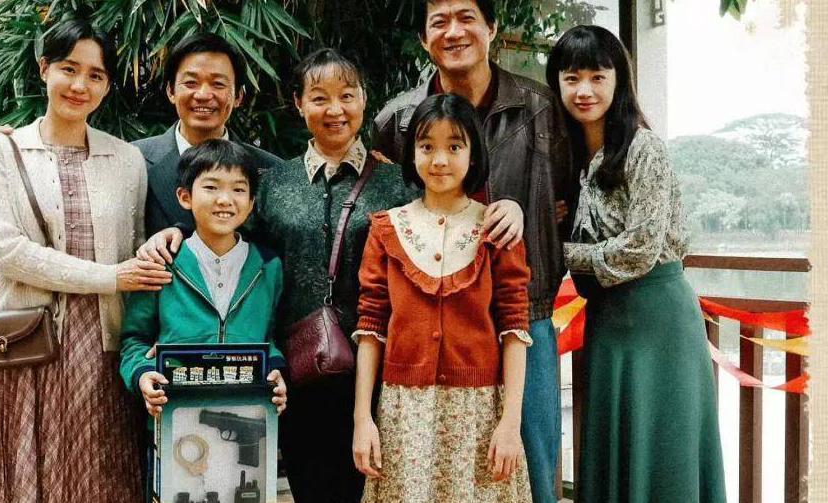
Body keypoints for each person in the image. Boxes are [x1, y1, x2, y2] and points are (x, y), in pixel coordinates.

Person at [137, 48, 420, 503]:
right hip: (297, 370)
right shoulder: (272, 181)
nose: (334, 109)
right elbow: (224, 238)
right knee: (311, 485)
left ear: (364, 100)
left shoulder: (399, 184)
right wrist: (176, 233)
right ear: (299, 104)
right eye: (319, 97)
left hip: (380, 367)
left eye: (346, 96)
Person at [373, 3, 573, 501]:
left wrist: (526, 212)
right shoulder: (397, 120)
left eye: (466, 17)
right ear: (423, 39)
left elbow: (570, 200)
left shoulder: (541, 109)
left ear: (492, 27)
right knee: (429, 479)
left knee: (530, 469)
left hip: (524, 318)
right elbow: (391, 208)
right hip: (428, 330)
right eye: (439, 21)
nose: (454, 31)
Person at [0, 19, 169, 503]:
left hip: (103, 346)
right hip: (27, 343)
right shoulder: (0, 151)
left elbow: (135, 248)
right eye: (68, 68)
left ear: (108, 85)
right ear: (44, 69)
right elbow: (7, 252)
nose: (80, 85)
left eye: (96, 75)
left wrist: (160, 246)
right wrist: (111, 277)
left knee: (102, 474)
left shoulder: (126, 159)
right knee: (31, 474)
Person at [547, 25, 726, 502]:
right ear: (557, 83)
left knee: (665, 453)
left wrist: (560, 251)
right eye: (571, 78)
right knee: (614, 449)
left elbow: (640, 248)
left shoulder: (644, 148)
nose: (584, 90)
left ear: (619, 81)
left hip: (659, 318)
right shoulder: (570, 158)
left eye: (597, 77)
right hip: (608, 320)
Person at [353, 93, 533, 502]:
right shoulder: (386, 229)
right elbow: (370, 328)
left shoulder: (497, 228)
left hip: (480, 414)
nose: (439, 160)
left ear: (474, 154)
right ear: (412, 153)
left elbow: (514, 329)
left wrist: (510, 423)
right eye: (426, 146)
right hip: (404, 413)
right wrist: (363, 418)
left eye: (454, 146)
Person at [119, 139, 289, 497]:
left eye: (238, 190)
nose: (225, 200)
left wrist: (275, 370)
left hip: (249, 418)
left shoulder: (268, 266)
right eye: (211, 187)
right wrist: (142, 374)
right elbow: (134, 339)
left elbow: (270, 337)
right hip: (176, 420)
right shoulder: (161, 264)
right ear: (185, 197)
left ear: (251, 203)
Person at [133, 32, 284, 238]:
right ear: (170, 91)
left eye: (218, 84)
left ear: (239, 96)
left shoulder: (272, 172)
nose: (203, 95)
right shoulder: (132, 160)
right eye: (191, 83)